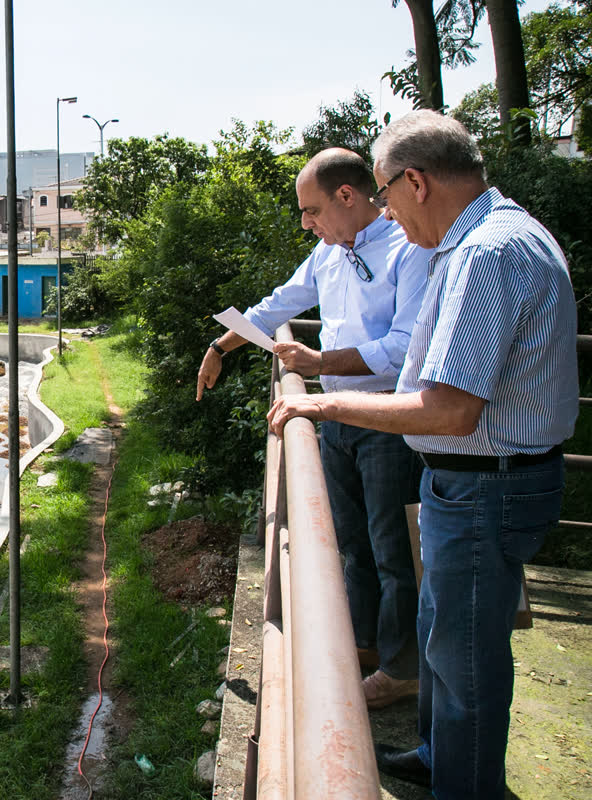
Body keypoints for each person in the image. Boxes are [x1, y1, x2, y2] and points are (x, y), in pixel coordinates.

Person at [267, 110, 578, 800]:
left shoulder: (485, 255)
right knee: (443, 638)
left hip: (483, 486)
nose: (388, 214)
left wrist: (322, 401)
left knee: (465, 661)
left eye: (387, 195)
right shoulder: (498, 235)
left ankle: (463, 786)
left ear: (416, 181)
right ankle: (441, 756)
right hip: (474, 481)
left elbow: (448, 407)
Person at [198, 148, 430, 708]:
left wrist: (319, 363)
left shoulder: (409, 249)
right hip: (336, 418)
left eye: (311, 210)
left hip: (386, 422)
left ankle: (402, 670)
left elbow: (403, 349)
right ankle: (366, 644)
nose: (306, 223)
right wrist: (219, 345)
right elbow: (280, 303)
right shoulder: (328, 253)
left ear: (346, 197)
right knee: (352, 542)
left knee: (392, 548)